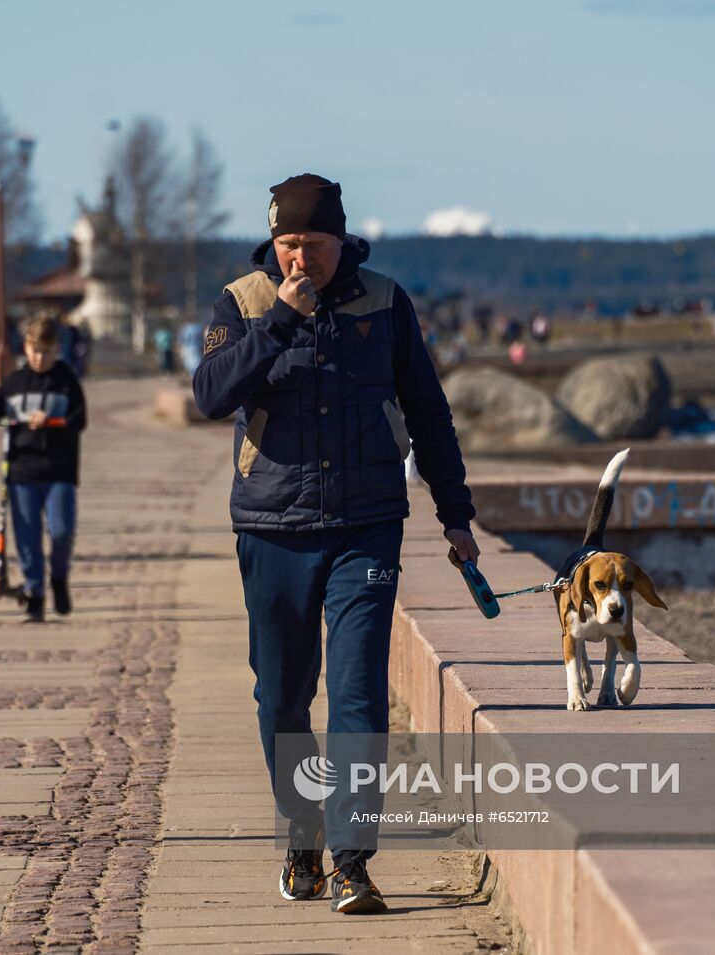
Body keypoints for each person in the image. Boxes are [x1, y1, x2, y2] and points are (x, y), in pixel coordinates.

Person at [192, 174, 479, 915]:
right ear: (273, 241)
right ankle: (302, 833)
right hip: (272, 527)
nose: (299, 259)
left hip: (366, 525)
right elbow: (211, 394)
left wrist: (455, 512)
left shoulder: (384, 301)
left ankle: (353, 859)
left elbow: (428, 409)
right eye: (288, 243)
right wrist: (280, 321)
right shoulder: (244, 301)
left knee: (356, 694)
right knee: (282, 697)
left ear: (339, 241)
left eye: (313, 245)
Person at [0, 316, 86, 622]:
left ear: (57, 350)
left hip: (59, 472)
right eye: (34, 350)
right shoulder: (14, 383)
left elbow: (80, 420)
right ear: (25, 348)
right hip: (21, 471)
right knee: (27, 536)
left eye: (47, 351)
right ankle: (35, 592)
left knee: (61, 531)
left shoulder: (66, 381)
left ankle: (59, 576)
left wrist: (55, 422)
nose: (40, 357)